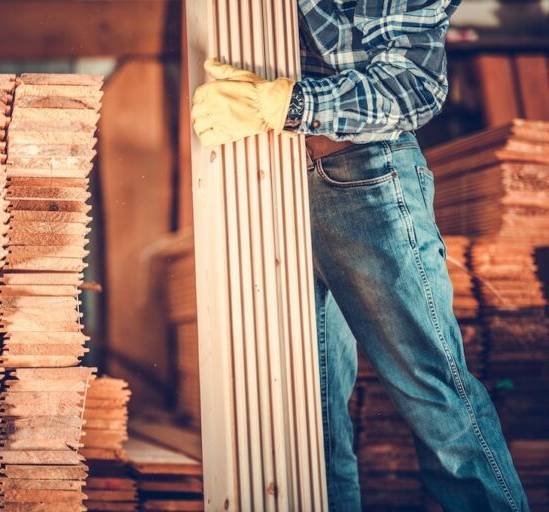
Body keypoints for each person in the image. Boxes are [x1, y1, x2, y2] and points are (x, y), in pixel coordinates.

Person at [190, 0, 530, 510]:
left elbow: (414, 84)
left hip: (362, 178)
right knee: (309, 417)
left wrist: (287, 104)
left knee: (432, 392)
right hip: (270, 177)